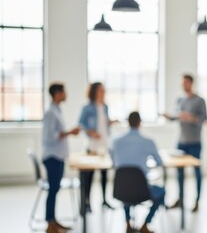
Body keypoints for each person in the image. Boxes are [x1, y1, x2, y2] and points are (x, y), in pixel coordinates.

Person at [111, 112, 165, 233]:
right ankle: (145, 224)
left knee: (127, 186)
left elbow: (113, 161)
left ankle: (127, 222)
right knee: (161, 192)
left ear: (127, 123)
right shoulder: (148, 141)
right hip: (143, 190)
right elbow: (159, 162)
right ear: (140, 123)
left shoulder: (115, 141)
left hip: (121, 190)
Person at [162, 74, 207, 212]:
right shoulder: (180, 100)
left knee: (196, 171)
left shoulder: (199, 101)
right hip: (181, 142)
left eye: (186, 83)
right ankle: (180, 199)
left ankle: (197, 201)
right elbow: (176, 116)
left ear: (191, 83)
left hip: (194, 142)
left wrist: (190, 117)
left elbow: (203, 119)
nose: (183, 85)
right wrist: (169, 116)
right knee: (179, 172)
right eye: (182, 83)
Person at [42, 83, 80, 233]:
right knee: (53, 190)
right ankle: (50, 224)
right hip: (52, 157)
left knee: (55, 189)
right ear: (57, 93)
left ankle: (53, 221)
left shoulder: (57, 110)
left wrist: (68, 133)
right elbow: (49, 137)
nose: (66, 94)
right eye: (64, 92)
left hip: (58, 157)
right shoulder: (51, 113)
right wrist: (69, 132)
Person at [78, 82, 116, 211]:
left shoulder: (105, 107)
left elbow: (104, 123)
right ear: (94, 91)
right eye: (100, 90)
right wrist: (90, 132)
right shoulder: (87, 108)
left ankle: (104, 200)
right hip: (92, 145)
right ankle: (86, 203)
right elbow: (81, 124)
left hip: (104, 145)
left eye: (104, 90)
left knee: (104, 174)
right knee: (89, 175)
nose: (103, 92)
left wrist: (111, 122)